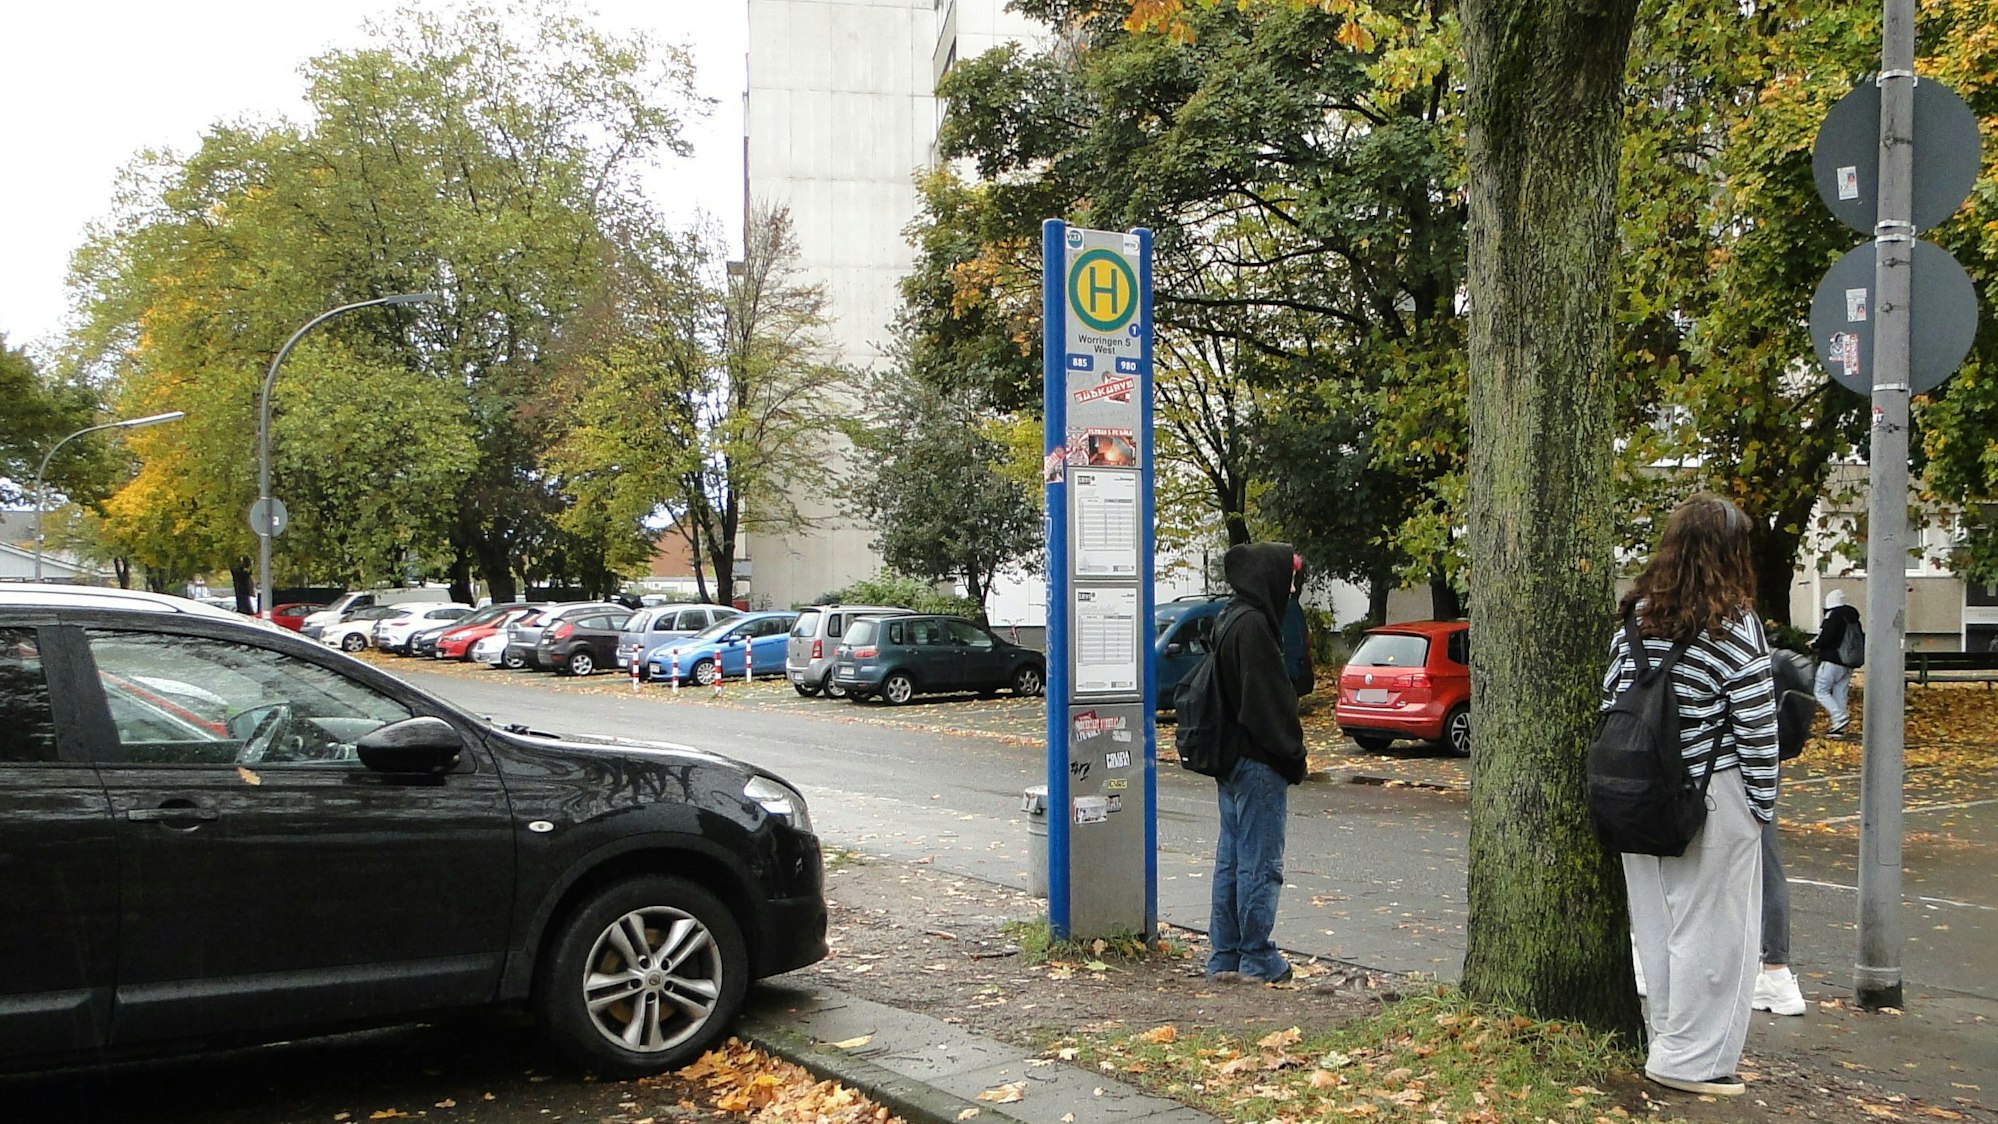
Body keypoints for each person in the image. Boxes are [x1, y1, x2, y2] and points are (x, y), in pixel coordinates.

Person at [1603, 494, 1778, 1097]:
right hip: (1711, 789)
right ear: (1730, 552)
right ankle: (1692, 1061)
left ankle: (1667, 1042)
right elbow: (1755, 720)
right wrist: (1761, 805)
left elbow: (1612, 699)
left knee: (1656, 925)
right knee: (1715, 930)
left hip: (1637, 790)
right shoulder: (1734, 623)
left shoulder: (1637, 614)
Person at [1204, 542, 1308, 985]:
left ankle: (1224, 954)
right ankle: (1257, 957)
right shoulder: (1255, 628)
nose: (1292, 588)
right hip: (1257, 761)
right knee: (1260, 864)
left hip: (1230, 759)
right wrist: (1293, 756)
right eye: (1289, 578)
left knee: (1230, 860)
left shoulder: (1231, 617)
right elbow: (1268, 706)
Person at [1812, 590, 1861, 738]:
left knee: (1821, 690)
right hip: (1848, 661)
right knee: (1840, 691)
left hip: (1832, 659)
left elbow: (1826, 637)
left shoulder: (1832, 616)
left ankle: (1838, 717)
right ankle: (1839, 726)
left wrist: (1814, 645)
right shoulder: (1852, 617)